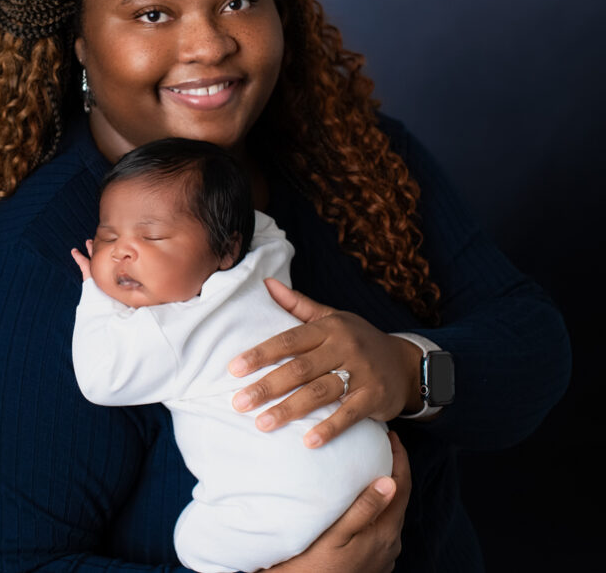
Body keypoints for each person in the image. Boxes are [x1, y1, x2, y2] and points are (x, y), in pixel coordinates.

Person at [0, 0, 571, 571]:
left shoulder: (357, 162)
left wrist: (405, 370)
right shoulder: (22, 274)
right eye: (154, 13)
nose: (209, 44)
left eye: (237, 1)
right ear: (80, 47)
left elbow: (531, 347)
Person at [69, 138, 393, 573]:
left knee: (192, 544)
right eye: (108, 236)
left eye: (152, 236)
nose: (122, 251)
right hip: (370, 450)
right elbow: (258, 226)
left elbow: (99, 379)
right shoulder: (266, 259)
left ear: (224, 251)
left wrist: (95, 293)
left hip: (293, 495)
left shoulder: (166, 332)